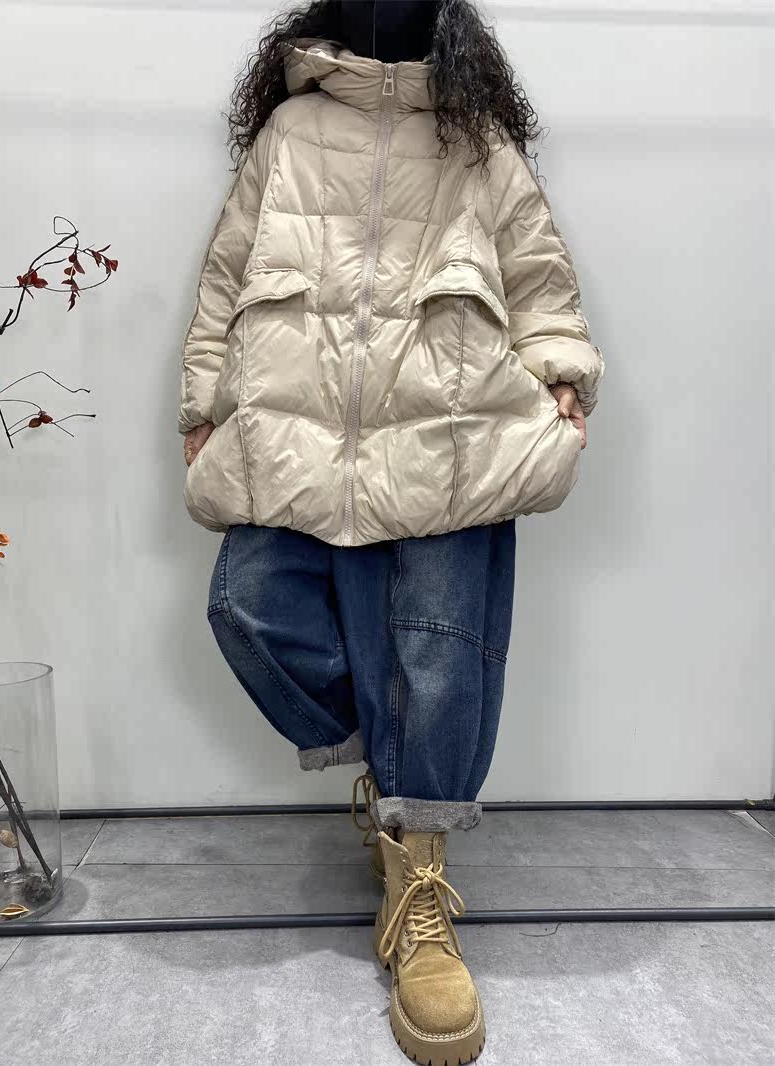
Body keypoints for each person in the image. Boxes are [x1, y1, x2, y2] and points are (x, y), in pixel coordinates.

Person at [179, 1, 604, 1061]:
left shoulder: (476, 139)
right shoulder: (288, 133)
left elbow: (536, 274)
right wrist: (199, 403)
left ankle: (419, 881)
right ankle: (396, 777)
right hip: (297, 422)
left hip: (450, 425)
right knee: (246, 604)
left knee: (441, 655)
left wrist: (560, 373)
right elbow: (226, 278)